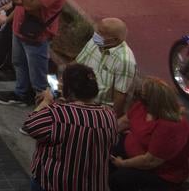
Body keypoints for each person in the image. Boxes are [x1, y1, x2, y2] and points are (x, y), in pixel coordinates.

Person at [23, 63, 118, 191]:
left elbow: (30, 125)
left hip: (55, 184)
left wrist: (46, 101)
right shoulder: (109, 115)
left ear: (69, 89)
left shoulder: (57, 114)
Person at [0, 0, 67, 107]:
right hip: (20, 28)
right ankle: (21, 94)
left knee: (38, 75)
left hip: (37, 35)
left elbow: (29, 5)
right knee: (19, 63)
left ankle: (43, 106)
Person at [109, 77, 189, 190]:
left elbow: (150, 161)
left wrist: (122, 164)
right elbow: (124, 122)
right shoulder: (142, 106)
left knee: (119, 179)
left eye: (144, 97)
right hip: (134, 152)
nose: (140, 98)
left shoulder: (171, 126)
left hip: (160, 174)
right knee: (103, 155)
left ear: (154, 102)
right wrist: (104, 134)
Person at [75, 18, 137, 115]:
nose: (96, 34)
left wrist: (111, 119)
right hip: (79, 97)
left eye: (101, 33)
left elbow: (120, 96)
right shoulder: (95, 42)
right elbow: (77, 63)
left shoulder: (125, 61)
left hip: (99, 109)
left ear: (115, 39)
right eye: (97, 30)